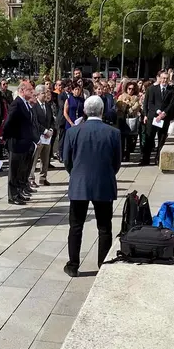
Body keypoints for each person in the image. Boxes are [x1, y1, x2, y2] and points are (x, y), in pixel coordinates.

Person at [62, 96, 121, 277]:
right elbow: (116, 162)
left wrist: (76, 174)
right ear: (102, 111)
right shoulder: (113, 133)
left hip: (79, 183)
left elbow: (66, 160)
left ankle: (73, 265)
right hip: (103, 184)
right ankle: (103, 264)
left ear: (85, 111)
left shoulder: (73, 132)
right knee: (104, 227)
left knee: (76, 226)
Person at [3, 81, 36, 206]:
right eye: (29, 90)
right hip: (16, 143)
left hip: (24, 143)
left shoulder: (25, 104)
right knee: (14, 171)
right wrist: (8, 138)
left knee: (20, 170)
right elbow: (8, 123)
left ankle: (18, 192)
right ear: (22, 90)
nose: (32, 92)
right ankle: (12, 196)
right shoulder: (16, 104)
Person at [140, 72, 174, 166]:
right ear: (160, 79)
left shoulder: (171, 90)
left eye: (166, 78)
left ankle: (158, 159)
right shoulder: (152, 89)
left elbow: (171, 103)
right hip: (153, 117)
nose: (165, 80)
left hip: (165, 117)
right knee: (149, 138)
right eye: (163, 78)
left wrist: (164, 113)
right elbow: (150, 103)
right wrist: (158, 112)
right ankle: (146, 159)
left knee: (161, 139)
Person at [31, 85, 54, 187]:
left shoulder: (48, 106)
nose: (46, 95)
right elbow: (35, 122)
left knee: (45, 159)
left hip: (47, 138)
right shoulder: (34, 106)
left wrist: (51, 130)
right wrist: (44, 131)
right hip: (38, 137)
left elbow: (52, 120)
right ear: (37, 94)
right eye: (43, 93)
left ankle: (43, 178)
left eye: (46, 92)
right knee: (35, 159)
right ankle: (31, 178)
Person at [116, 81, 141, 162]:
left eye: (133, 89)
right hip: (122, 120)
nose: (131, 90)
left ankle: (128, 155)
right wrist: (126, 105)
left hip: (131, 119)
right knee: (122, 139)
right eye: (129, 88)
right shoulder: (121, 97)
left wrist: (129, 108)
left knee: (130, 139)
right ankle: (122, 154)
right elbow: (119, 107)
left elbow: (136, 107)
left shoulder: (136, 98)